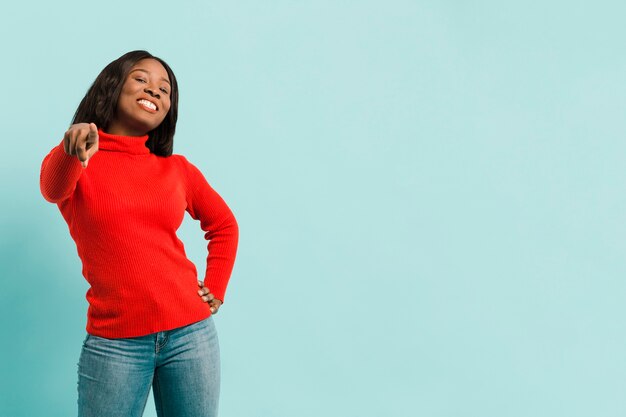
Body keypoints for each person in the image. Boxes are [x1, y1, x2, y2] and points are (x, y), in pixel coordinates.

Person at [39, 50, 239, 417]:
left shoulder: (177, 170)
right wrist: (71, 148)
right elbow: (52, 190)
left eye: (166, 90)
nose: (156, 91)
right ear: (112, 87)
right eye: (142, 79)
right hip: (116, 345)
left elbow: (224, 225)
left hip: (191, 336)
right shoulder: (78, 159)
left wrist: (217, 286)